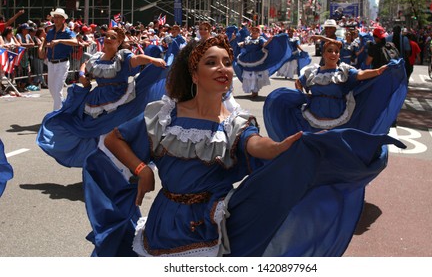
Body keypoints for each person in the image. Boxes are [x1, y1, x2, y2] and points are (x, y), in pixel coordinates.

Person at [82, 35, 405, 257]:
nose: (223, 69)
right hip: (164, 218)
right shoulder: (165, 115)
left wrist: (279, 148)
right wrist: (142, 170)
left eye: (227, 62)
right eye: (212, 63)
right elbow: (115, 138)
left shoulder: (235, 122)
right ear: (193, 73)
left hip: (210, 221)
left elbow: (255, 145)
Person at [36, 27, 168, 168]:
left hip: (119, 99)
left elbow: (137, 59)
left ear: (120, 42)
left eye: (113, 38)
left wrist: (153, 60)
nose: (108, 39)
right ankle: (100, 166)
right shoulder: (97, 57)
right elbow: (85, 65)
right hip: (97, 100)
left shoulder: (122, 57)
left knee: (114, 132)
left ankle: (118, 166)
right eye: (107, 36)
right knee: (94, 131)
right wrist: (81, 76)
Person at [263, 39, 408, 142]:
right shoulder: (312, 72)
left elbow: (361, 74)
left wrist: (378, 71)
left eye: (336, 51)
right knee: (313, 146)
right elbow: (298, 83)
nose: (333, 54)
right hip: (313, 115)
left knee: (333, 148)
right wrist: (302, 96)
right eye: (330, 51)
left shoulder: (344, 71)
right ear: (324, 54)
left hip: (338, 116)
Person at [232, 26, 290, 98]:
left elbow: (264, 45)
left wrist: (269, 41)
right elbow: (242, 44)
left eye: (256, 31)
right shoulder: (247, 39)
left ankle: (255, 90)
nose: (254, 32)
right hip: (247, 58)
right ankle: (253, 90)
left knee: (255, 74)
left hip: (257, 58)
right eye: (253, 31)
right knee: (248, 74)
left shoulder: (260, 39)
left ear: (258, 33)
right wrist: (234, 41)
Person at [38, 8, 77, 111]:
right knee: (52, 88)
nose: (56, 19)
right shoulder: (51, 31)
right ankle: (63, 107)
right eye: (55, 17)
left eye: (58, 17)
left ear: (63, 19)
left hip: (62, 63)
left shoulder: (68, 32)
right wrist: (41, 48)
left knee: (57, 89)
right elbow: (45, 40)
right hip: (51, 63)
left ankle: (57, 114)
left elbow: (75, 42)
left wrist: (59, 41)